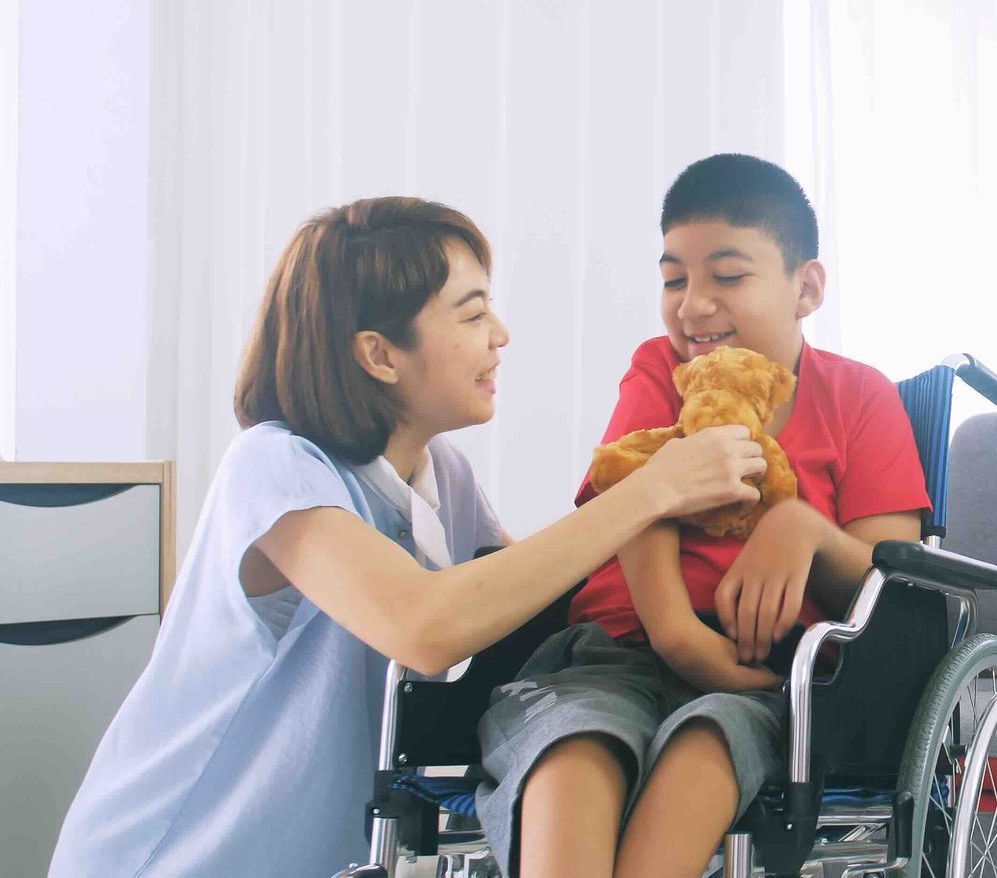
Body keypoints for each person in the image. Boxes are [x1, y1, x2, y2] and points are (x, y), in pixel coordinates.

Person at [49, 197, 765, 877]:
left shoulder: (438, 472)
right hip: (172, 856)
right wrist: (649, 489)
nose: (501, 335)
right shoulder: (275, 468)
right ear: (379, 354)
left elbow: (525, 602)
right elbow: (426, 625)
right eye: (473, 312)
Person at [478, 155, 932, 878]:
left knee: (708, 745)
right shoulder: (660, 370)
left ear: (805, 287)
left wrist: (805, 529)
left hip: (766, 678)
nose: (692, 304)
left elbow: (895, 590)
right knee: (573, 746)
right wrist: (678, 635)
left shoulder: (860, 398)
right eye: (673, 278)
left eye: (727, 276)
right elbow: (633, 498)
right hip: (617, 650)